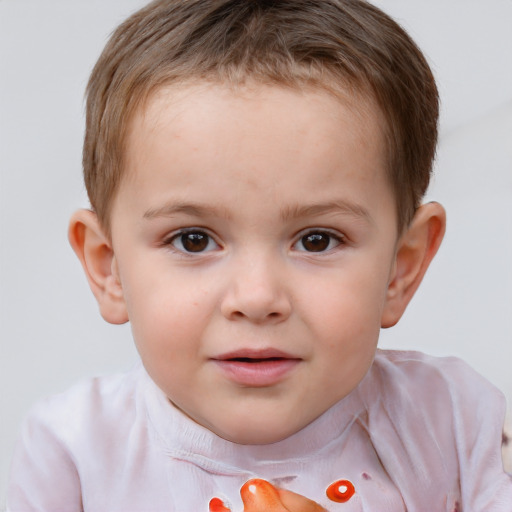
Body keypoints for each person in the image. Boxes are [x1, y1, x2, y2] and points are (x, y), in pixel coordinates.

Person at [7, 0, 512, 510]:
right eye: (193, 239)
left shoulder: (453, 424)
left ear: (400, 269)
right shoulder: (72, 454)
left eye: (317, 240)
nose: (256, 298)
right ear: (107, 266)